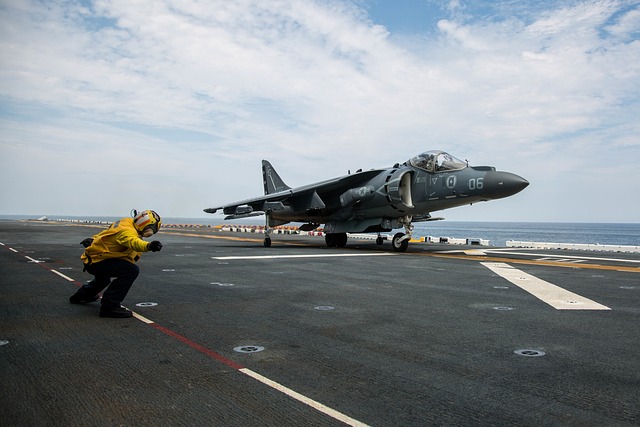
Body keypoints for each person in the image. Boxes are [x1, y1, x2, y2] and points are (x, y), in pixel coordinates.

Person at [69, 210, 163, 318]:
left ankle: (82, 295)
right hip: (98, 261)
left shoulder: (125, 222)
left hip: (97, 258)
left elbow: (107, 232)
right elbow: (133, 242)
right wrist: (149, 246)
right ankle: (110, 306)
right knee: (131, 270)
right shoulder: (127, 231)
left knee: (103, 279)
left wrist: (93, 238)